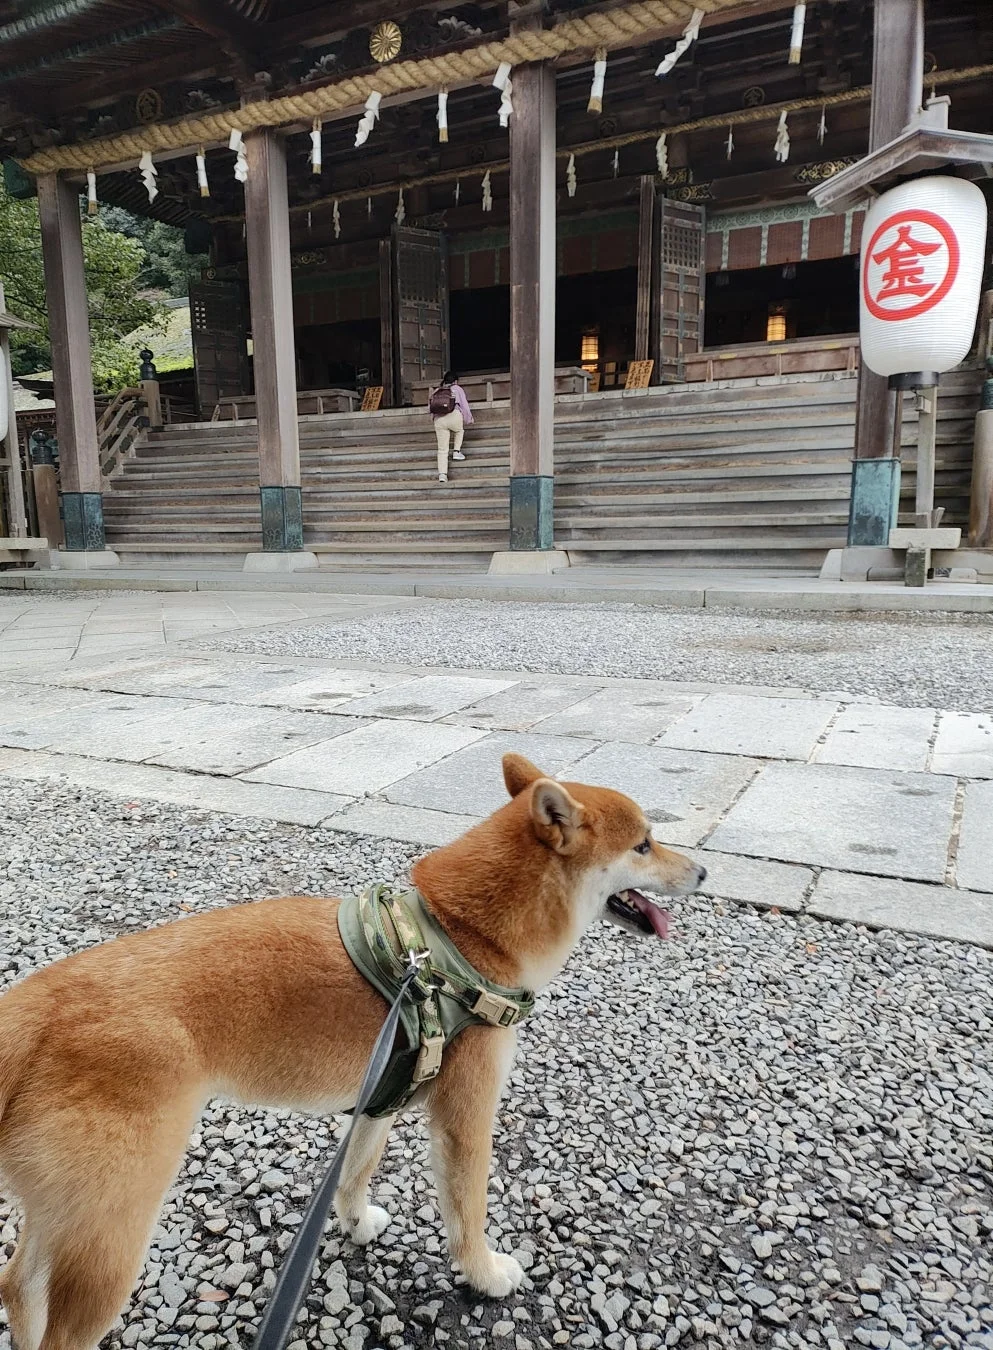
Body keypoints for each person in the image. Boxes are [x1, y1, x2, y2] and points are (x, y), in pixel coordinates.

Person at [429, 370, 473, 482]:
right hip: (454, 415)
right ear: (456, 381)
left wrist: (433, 419)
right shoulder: (457, 389)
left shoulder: (437, 390)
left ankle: (442, 475)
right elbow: (464, 405)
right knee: (459, 431)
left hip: (439, 419)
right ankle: (456, 452)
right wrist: (469, 418)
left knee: (442, 449)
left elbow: (431, 407)